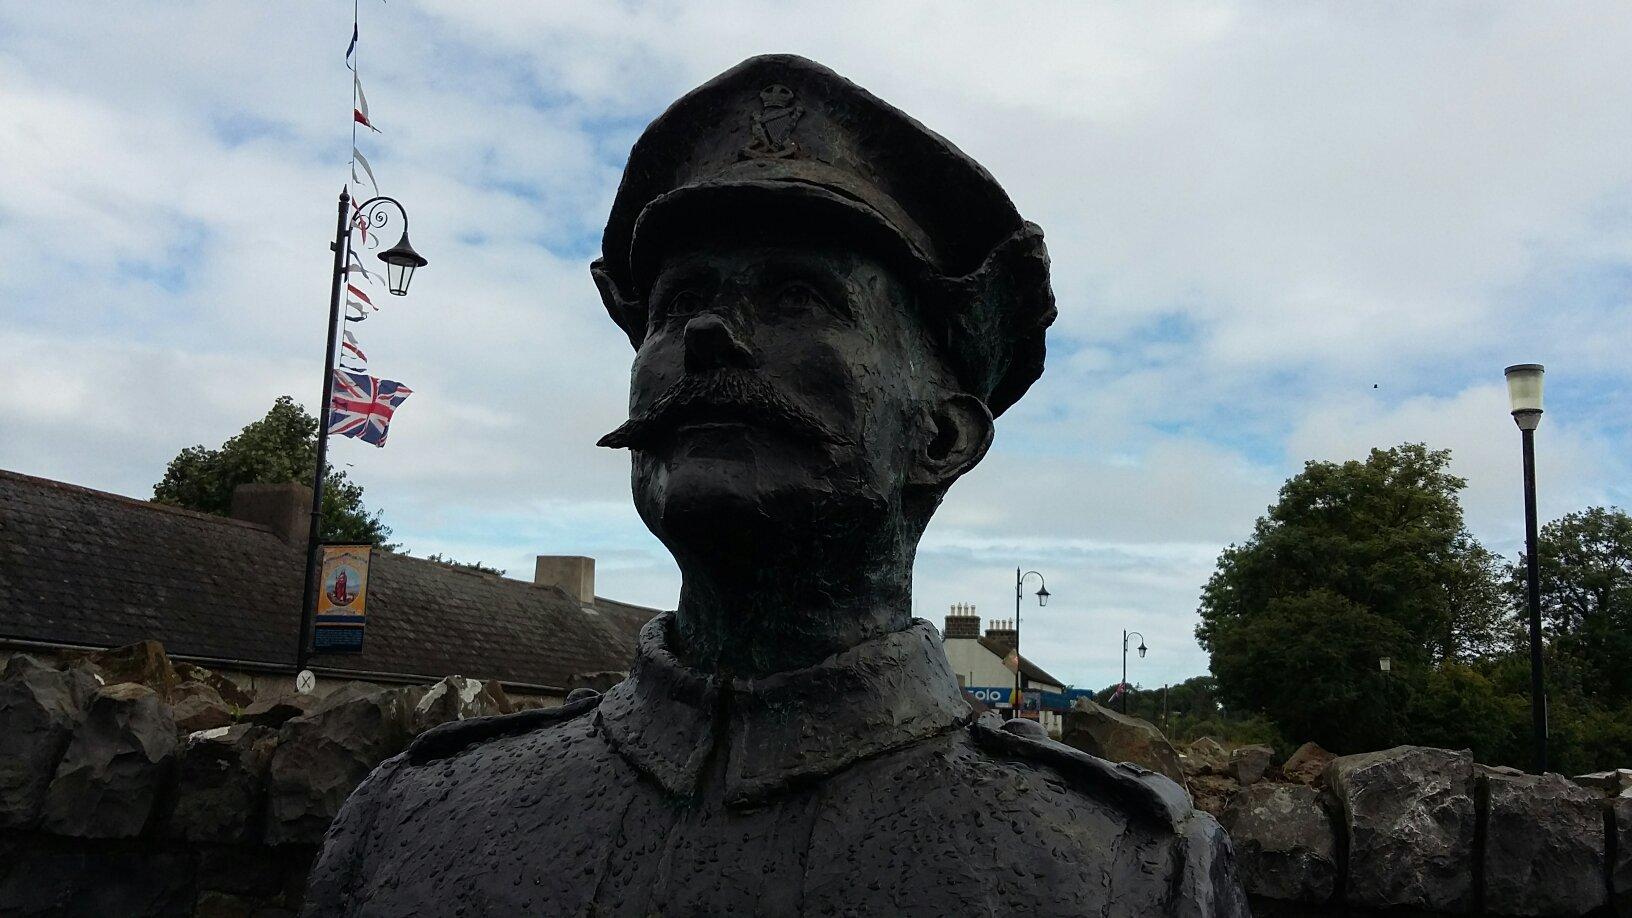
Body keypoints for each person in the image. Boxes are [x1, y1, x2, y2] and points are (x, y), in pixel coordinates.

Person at [304, 54, 1247, 917]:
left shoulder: (1118, 877)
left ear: (944, 436)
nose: (706, 337)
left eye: (799, 298)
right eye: (677, 306)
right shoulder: (415, 825)